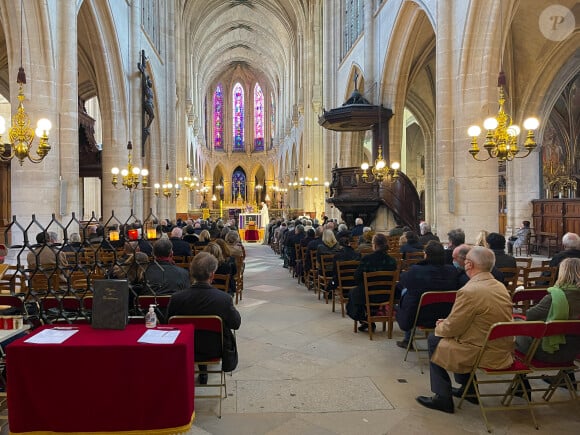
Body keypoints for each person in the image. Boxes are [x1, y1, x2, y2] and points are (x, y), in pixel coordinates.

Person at [416, 246, 514, 414]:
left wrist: (442, 325)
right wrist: (448, 322)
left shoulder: (469, 291)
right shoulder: (499, 286)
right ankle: (468, 390)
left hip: (482, 352)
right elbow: (477, 318)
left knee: (434, 339)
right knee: (451, 336)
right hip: (502, 349)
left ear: (468, 264)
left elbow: (453, 328)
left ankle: (442, 397)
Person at [167, 252, 241, 383]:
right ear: (212, 275)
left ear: (192, 273)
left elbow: (168, 325)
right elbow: (236, 323)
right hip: (215, 348)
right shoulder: (223, 299)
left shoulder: (177, 298)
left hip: (185, 347)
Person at [395, 241, 460, 349]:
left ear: (426, 255)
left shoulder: (417, 270)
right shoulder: (452, 270)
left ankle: (407, 339)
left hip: (420, 316)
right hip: (446, 315)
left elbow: (404, 283)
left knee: (406, 292)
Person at [516, 257, 580, 365]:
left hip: (547, 352)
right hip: (574, 351)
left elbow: (530, 316)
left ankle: (520, 376)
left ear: (562, 273)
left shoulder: (555, 297)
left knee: (514, 325)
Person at [346, 233, 397, 331]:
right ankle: (369, 317)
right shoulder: (392, 261)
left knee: (353, 293)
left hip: (368, 293)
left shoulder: (367, 259)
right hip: (387, 294)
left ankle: (364, 318)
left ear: (375, 245)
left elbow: (357, 276)